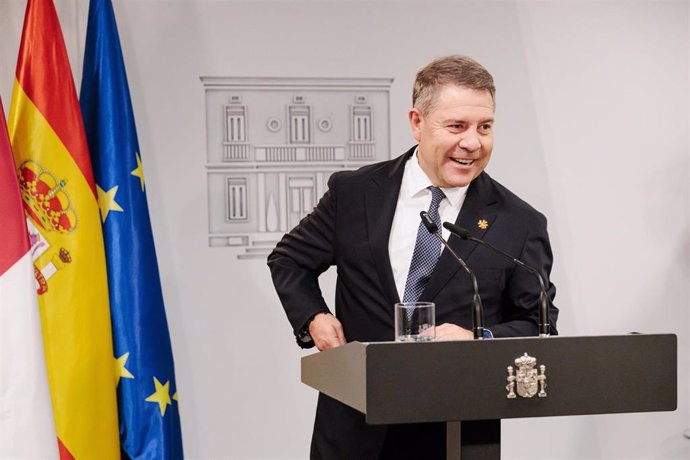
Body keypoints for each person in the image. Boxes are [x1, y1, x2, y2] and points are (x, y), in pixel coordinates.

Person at [267, 55, 559, 459]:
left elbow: (539, 323)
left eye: (484, 127)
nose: (473, 142)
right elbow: (289, 260)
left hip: (455, 433)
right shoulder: (355, 193)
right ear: (417, 123)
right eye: (456, 126)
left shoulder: (518, 222)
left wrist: (479, 338)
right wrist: (312, 316)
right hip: (353, 428)